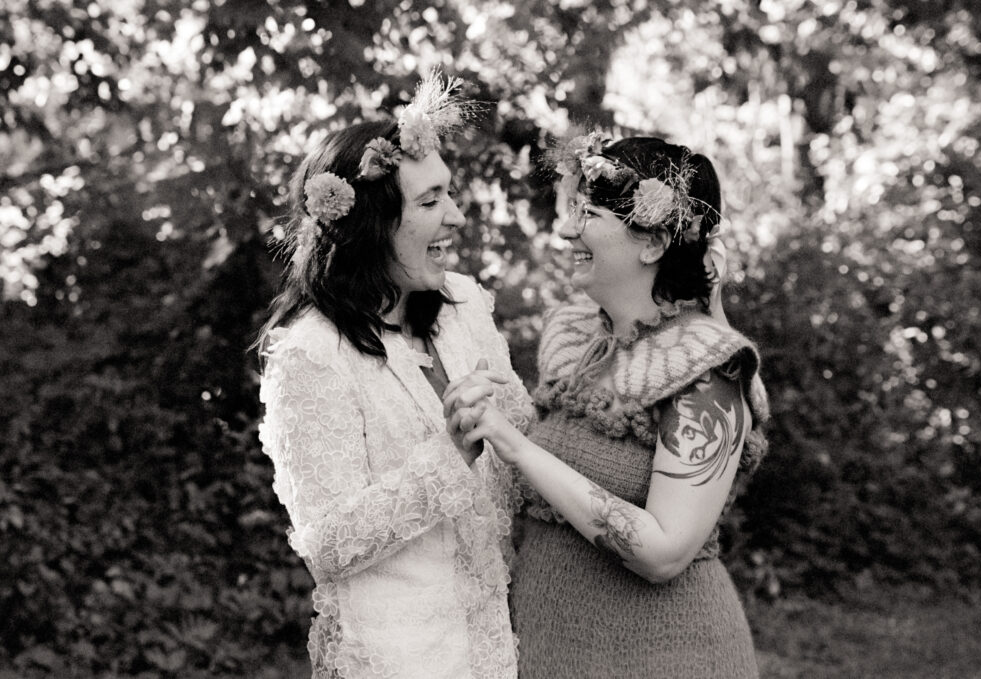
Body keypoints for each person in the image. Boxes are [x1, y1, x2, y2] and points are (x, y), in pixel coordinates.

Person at [445, 134, 770, 678]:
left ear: (652, 243)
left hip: (665, 657)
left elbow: (663, 552)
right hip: (550, 648)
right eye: (573, 210)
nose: (567, 228)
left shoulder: (711, 370)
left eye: (588, 213)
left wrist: (515, 444)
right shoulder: (572, 335)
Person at [256, 74, 532, 678]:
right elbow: (327, 544)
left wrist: (512, 413)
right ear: (371, 225)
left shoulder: (463, 305)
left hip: (502, 647)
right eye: (430, 202)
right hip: (397, 659)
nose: (456, 217)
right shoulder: (311, 356)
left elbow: (521, 439)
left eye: (450, 196)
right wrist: (449, 455)